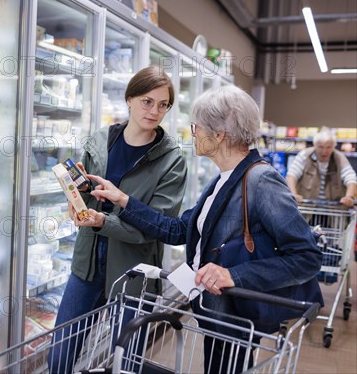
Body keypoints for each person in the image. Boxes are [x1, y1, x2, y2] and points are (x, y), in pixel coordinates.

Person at [72, 85, 323, 373]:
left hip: (238, 316)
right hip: (216, 311)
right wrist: (123, 200)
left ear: (219, 135)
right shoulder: (223, 179)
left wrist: (232, 274)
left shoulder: (261, 181)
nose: (193, 133)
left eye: (196, 127)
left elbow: (306, 256)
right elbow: (178, 230)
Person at [47, 66, 187, 374]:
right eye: (147, 101)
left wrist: (102, 221)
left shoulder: (171, 159)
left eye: (163, 105)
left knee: (127, 362)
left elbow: (153, 229)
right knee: (59, 357)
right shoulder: (101, 140)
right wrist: (76, 201)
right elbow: (87, 198)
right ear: (129, 99)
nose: (155, 111)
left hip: (134, 274)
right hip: (86, 265)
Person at [286, 129, 357, 208]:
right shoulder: (304, 155)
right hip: (307, 206)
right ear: (315, 145)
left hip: (332, 209)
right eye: (321, 147)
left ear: (334, 146)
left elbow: (351, 178)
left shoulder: (339, 158)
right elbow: (292, 175)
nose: (324, 151)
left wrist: (349, 196)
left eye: (328, 147)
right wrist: (293, 194)